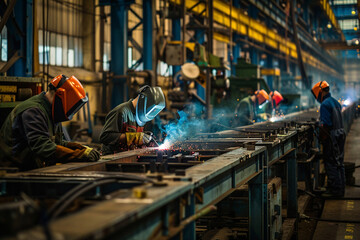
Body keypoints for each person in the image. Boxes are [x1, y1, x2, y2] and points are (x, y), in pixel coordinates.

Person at [0, 74, 100, 171]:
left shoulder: (52, 112)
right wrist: (79, 155)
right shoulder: (33, 110)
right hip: (13, 170)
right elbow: (42, 146)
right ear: (60, 96)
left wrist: (79, 148)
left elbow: (57, 143)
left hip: (29, 167)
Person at [100, 85, 165, 155]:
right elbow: (105, 137)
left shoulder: (141, 116)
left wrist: (144, 137)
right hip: (112, 158)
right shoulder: (121, 111)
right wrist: (134, 137)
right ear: (143, 100)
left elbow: (134, 136)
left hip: (128, 156)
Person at [311, 80, 346, 197]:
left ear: (320, 92)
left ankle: (335, 191)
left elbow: (325, 125)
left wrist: (321, 138)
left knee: (330, 162)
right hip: (340, 135)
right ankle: (340, 189)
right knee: (339, 162)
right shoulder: (336, 102)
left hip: (332, 138)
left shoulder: (325, 104)